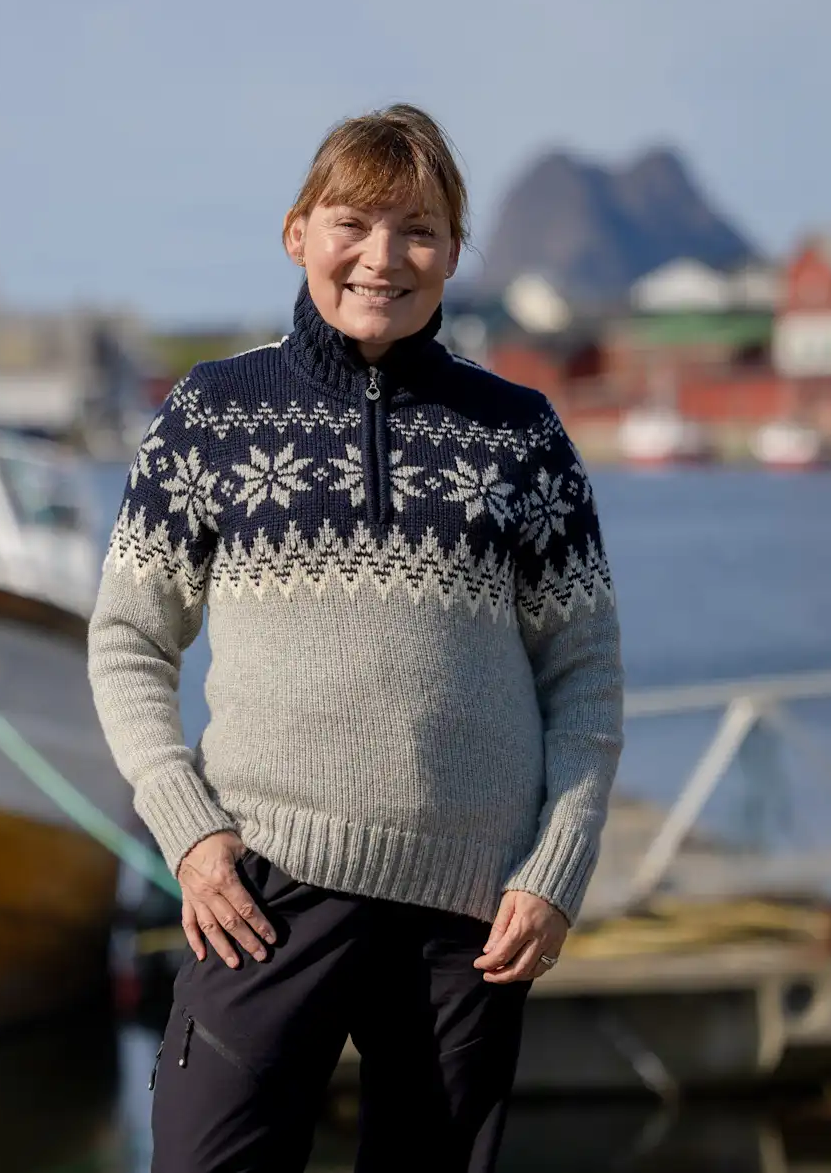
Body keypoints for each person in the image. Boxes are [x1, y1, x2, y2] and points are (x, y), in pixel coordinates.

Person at [88, 103, 623, 1172]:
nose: (384, 258)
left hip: (468, 916)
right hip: (263, 887)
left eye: (418, 232)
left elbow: (586, 676)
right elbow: (128, 642)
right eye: (353, 225)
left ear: (454, 254)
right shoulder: (215, 415)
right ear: (298, 234)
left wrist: (556, 867)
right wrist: (190, 834)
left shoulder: (521, 438)